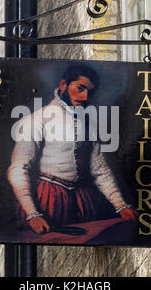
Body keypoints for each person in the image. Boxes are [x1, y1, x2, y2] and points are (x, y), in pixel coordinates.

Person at [7, 65, 137, 234]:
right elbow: (18, 169)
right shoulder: (38, 120)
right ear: (63, 85)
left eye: (90, 92)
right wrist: (32, 214)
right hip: (47, 199)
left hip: (82, 200)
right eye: (80, 88)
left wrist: (121, 206)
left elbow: (99, 170)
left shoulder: (87, 123)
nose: (84, 97)